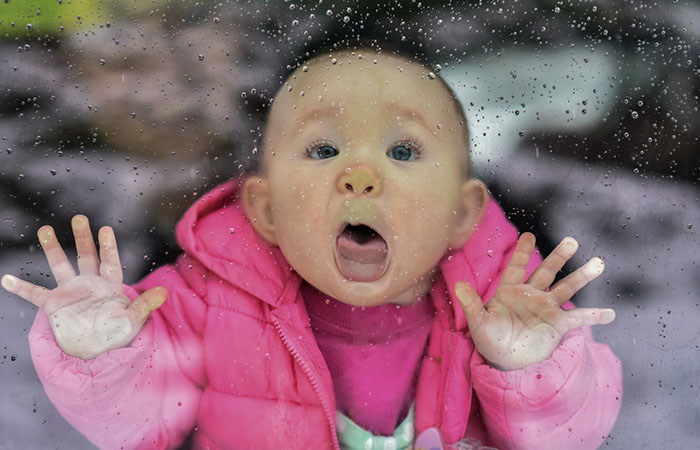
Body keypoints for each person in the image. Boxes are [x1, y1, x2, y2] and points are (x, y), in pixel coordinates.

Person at [1, 44, 622, 450]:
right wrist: (102, 353)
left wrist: (532, 372)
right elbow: (137, 423)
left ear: (460, 215)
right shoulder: (208, 298)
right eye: (323, 150)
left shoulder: (504, 306)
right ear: (266, 210)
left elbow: (572, 433)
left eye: (402, 151)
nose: (360, 175)